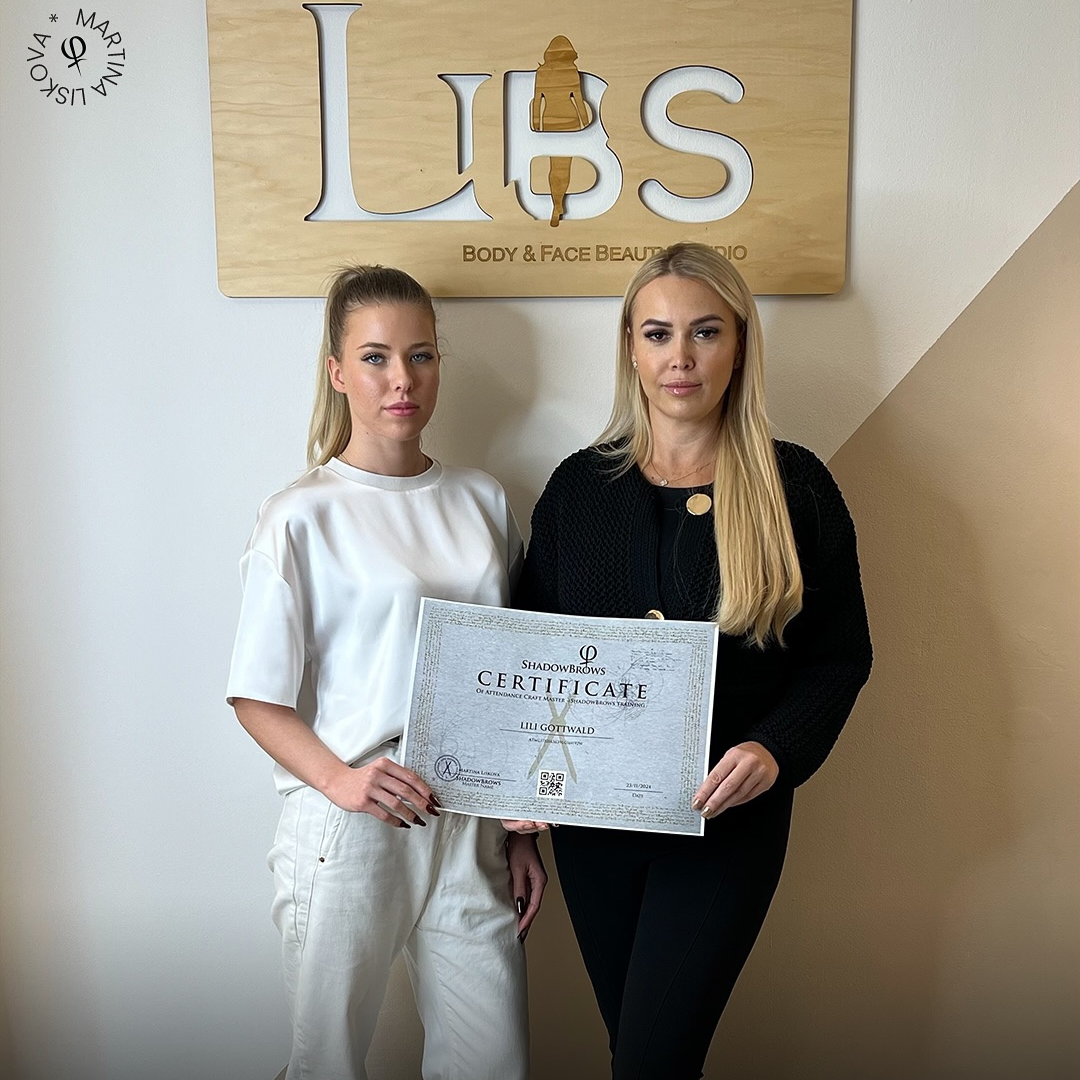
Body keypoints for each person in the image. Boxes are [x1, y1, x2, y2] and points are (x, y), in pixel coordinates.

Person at [515, 242, 872, 1078]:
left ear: (739, 345)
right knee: (638, 1055)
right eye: (659, 334)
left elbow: (840, 656)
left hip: (725, 827)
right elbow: (531, 658)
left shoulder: (796, 488)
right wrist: (516, 795)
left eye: (706, 332)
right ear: (631, 349)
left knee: (650, 1061)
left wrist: (774, 748)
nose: (681, 357)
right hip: (594, 830)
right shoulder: (578, 489)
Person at [226, 265, 545, 1080]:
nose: (402, 378)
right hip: (353, 819)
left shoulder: (483, 500)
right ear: (338, 372)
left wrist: (519, 831)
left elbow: (517, 670)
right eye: (375, 357)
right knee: (327, 1061)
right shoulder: (300, 513)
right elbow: (256, 696)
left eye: (421, 355)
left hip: (470, 818)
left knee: (492, 1061)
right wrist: (342, 781)